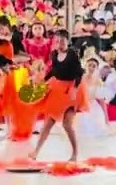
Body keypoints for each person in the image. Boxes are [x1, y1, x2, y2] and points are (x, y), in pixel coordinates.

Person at [30, 29, 85, 161]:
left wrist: (74, 88)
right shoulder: (54, 54)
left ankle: (75, 153)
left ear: (68, 41)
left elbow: (79, 73)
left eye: (62, 40)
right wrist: (43, 81)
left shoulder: (72, 54)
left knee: (67, 124)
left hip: (72, 89)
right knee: (48, 122)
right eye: (58, 40)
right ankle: (35, 152)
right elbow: (54, 71)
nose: (60, 42)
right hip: (58, 89)